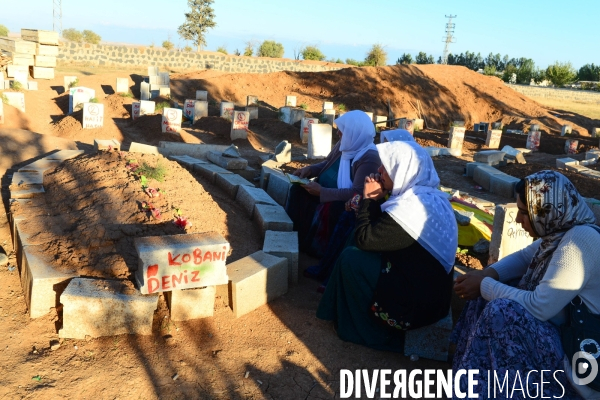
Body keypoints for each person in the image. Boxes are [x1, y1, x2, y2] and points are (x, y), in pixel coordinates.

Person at [452, 170, 600, 399]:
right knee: (492, 288)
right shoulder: (558, 233)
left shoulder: (581, 239)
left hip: (578, 364)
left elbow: (540, 306)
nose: (519, 220)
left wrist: (484, 285)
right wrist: (485, 275)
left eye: (524, 212)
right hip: (558, 335)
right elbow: (523, 259)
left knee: (502, 310)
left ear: (547, 210)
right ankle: (471, 383)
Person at [316, 140, 458, 351]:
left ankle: (368, 333)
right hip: (418, 281)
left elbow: (366, 238)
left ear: (402, 172)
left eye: (387, 168)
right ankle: (335, 305)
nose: (379, 171)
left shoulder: (412, 210)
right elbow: (374, 231)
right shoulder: (425, 196)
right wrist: (371, 202)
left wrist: (370, 199)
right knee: (352, 241)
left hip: (416, 302)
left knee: (352, 259)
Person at [304, 128, 416, 289]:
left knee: (351, 228)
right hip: (375, 224)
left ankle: (334, 278)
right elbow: (361, 194)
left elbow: (383, 219)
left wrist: (365, 203)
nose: (380, 167)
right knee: (347, 217)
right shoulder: (386, 176)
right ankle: (328, 269)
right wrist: (356, 203)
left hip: (390, 248)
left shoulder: (407, 190)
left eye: (388, 160)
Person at [286, 110, 380, 257]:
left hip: (340, 201)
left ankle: (315, 250)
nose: (338, 134)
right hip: (321, 190)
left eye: (342, 131)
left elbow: (357, 193)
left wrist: (322, 192)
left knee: (332, 209)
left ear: (354, 133)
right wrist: (310, 170)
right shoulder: (345, 144)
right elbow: (327, 163)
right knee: (297, 191)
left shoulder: (369, 158)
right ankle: (291, 238)